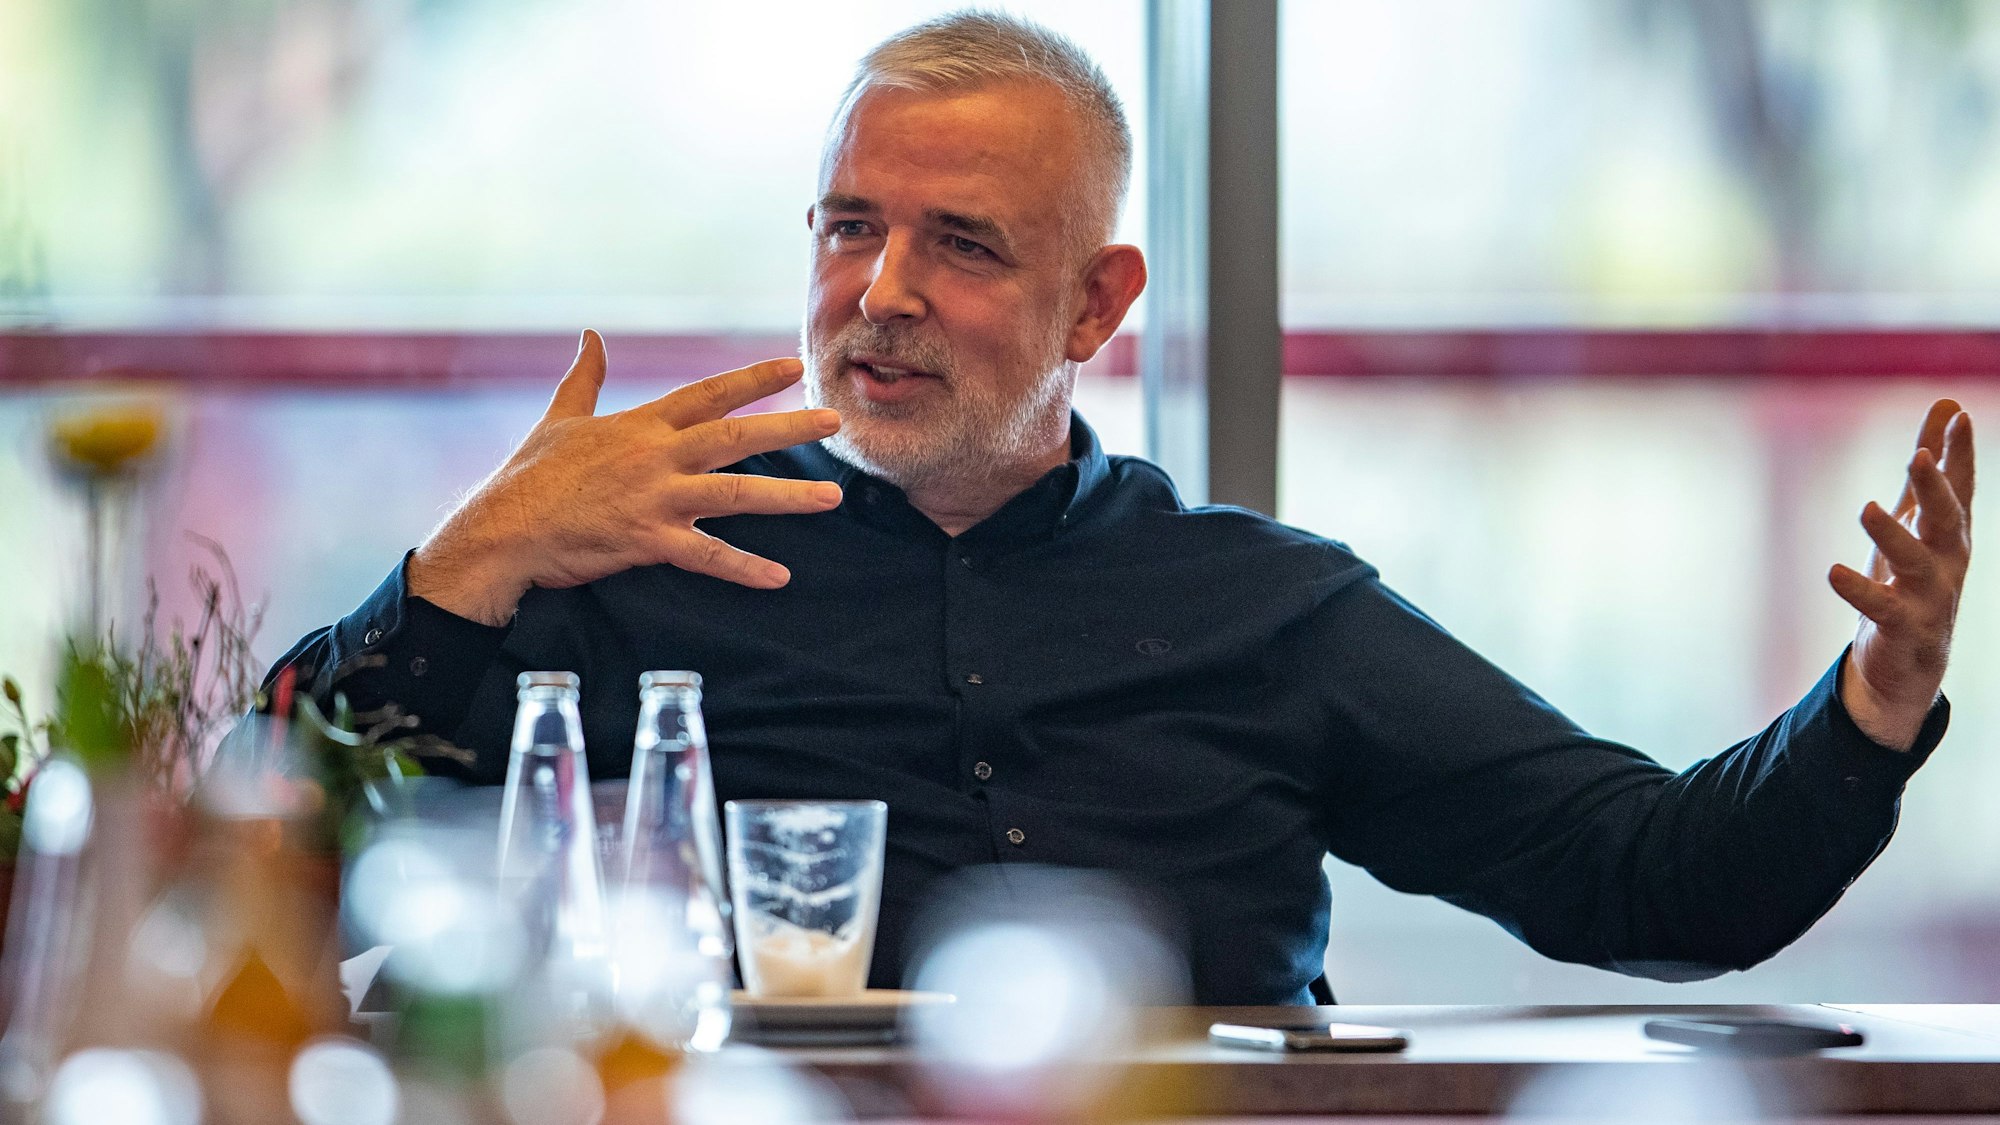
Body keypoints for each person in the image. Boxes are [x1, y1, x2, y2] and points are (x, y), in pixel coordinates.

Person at [273, 11, 1976, 1005]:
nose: (880, 291)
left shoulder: (1271, 610)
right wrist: (466, 558)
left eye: (962, 244)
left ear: (1097, 308)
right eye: (848, 226)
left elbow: (1653, 881)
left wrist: (1874, 707)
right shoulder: (633, 555)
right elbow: (265, 850)